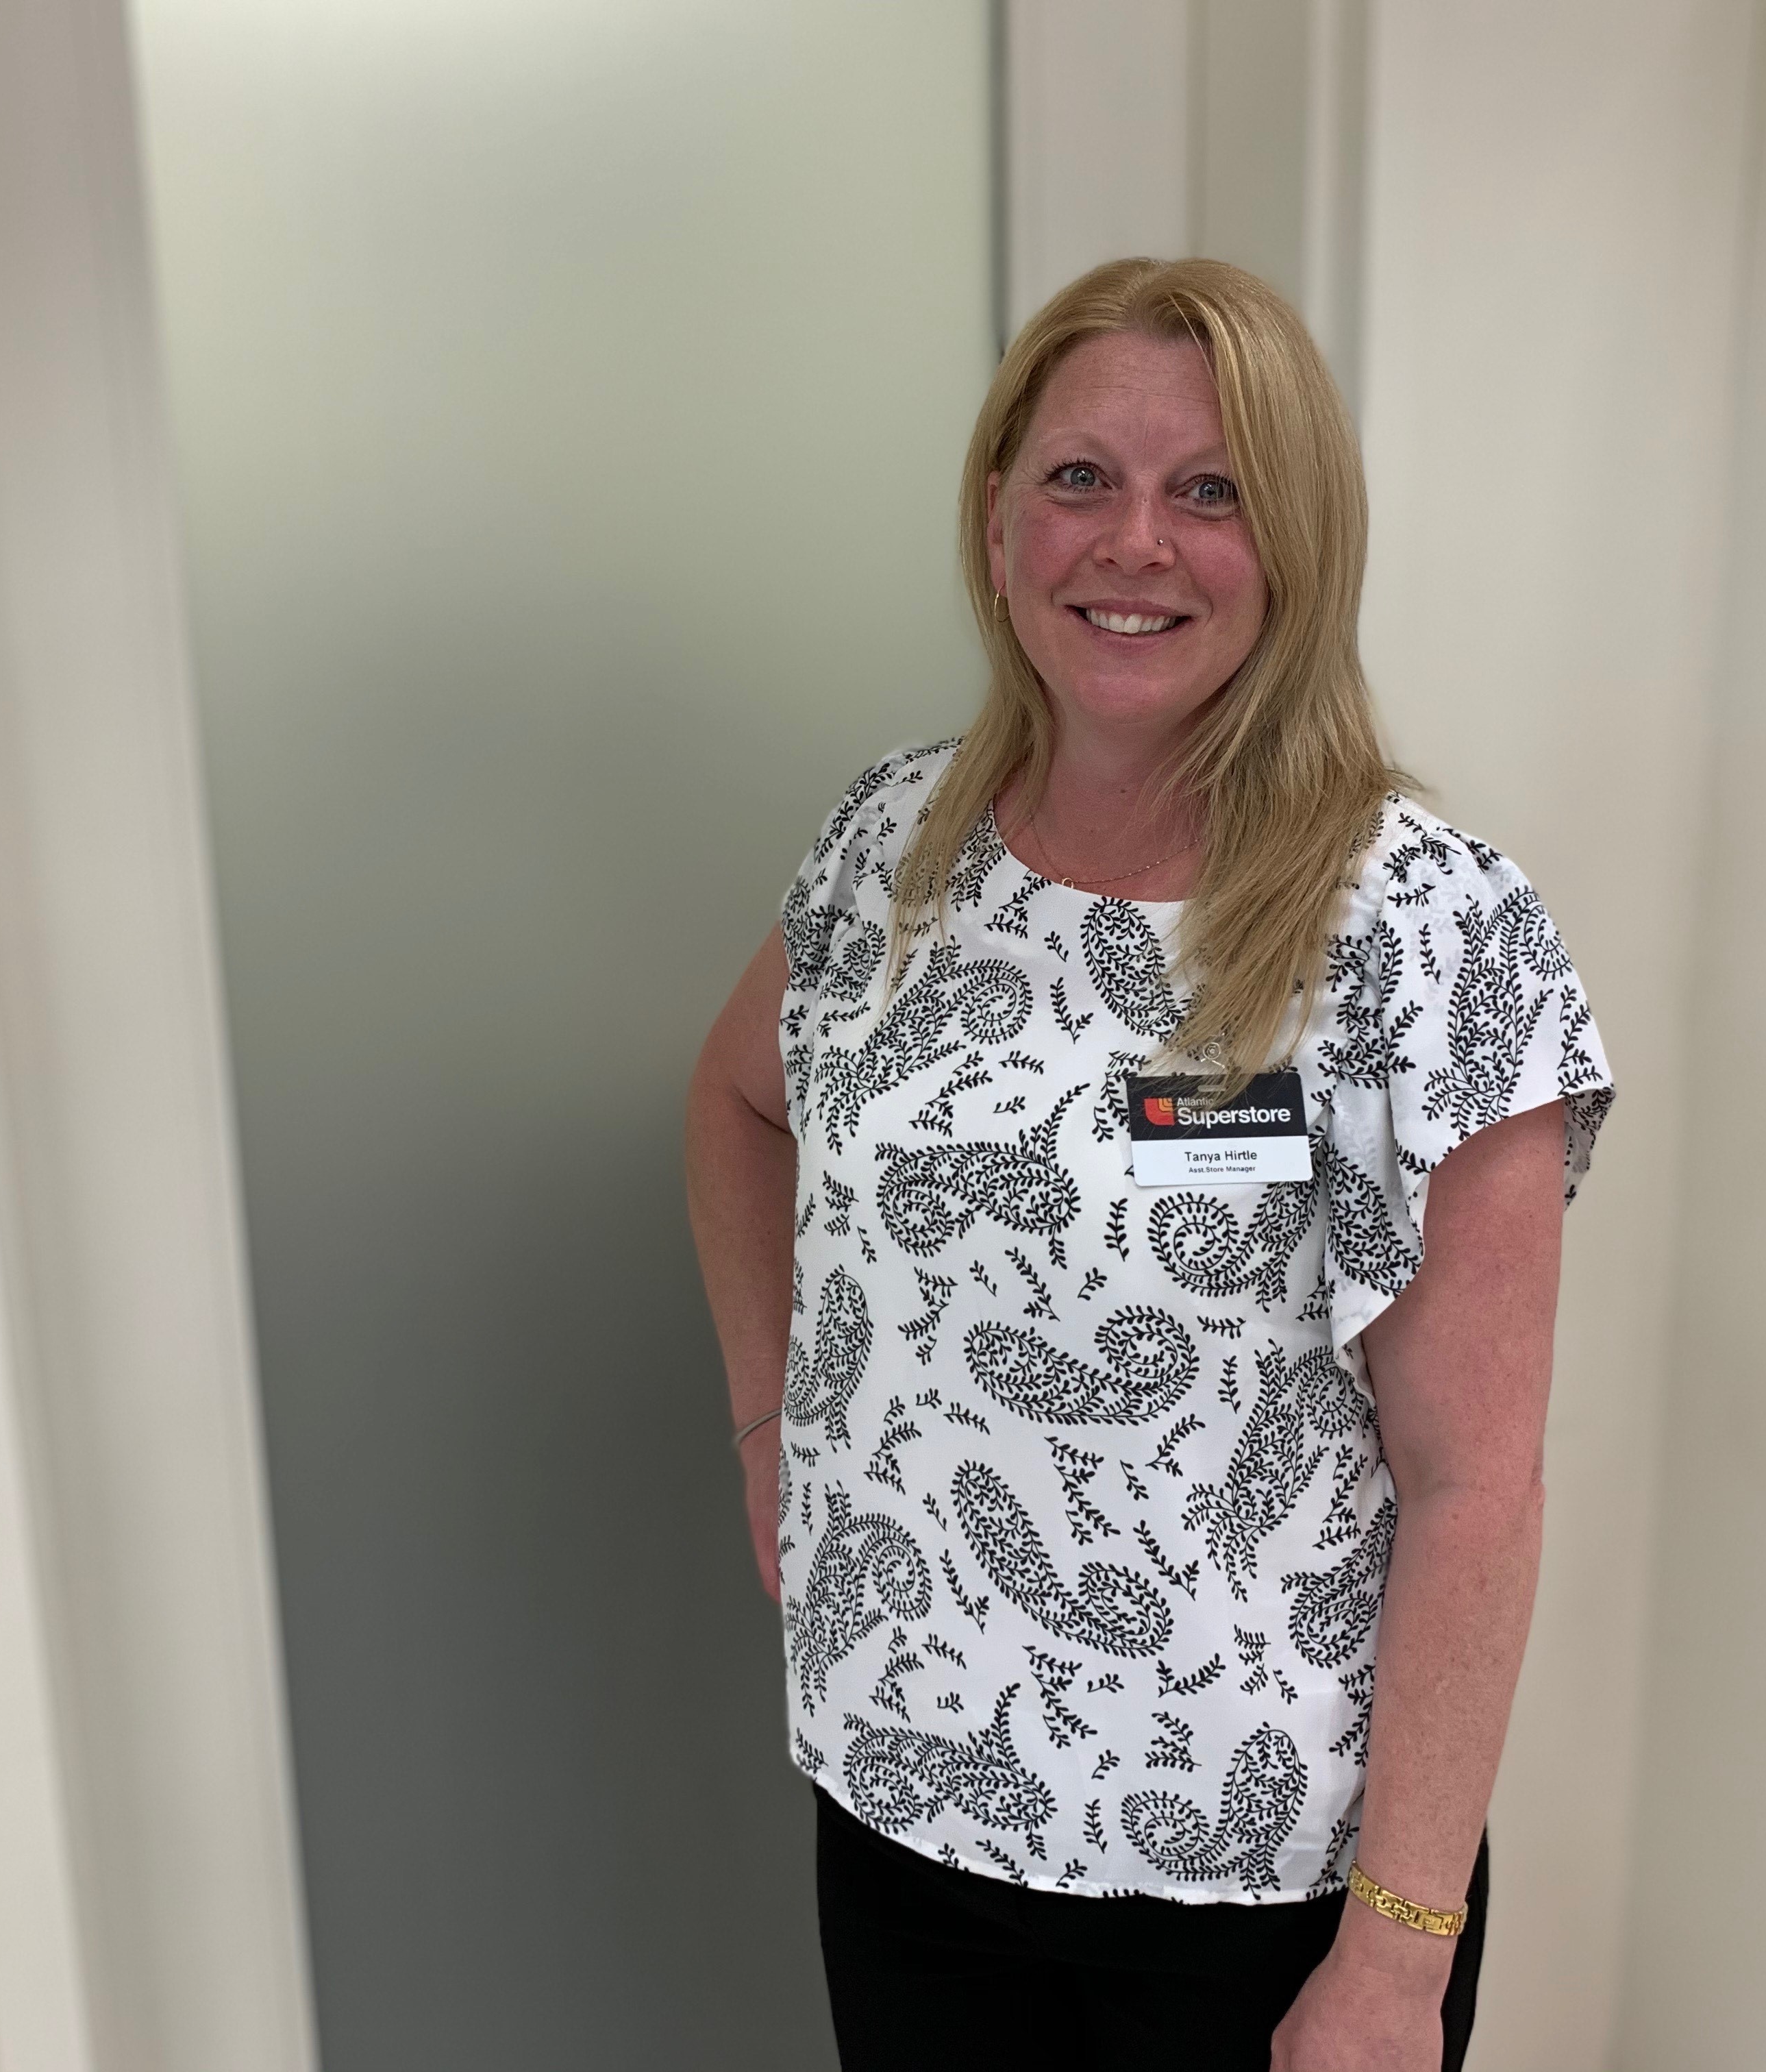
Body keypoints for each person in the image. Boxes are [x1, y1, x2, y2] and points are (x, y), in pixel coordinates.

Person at [684, 257, 1613, 2072]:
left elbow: (1475, 1489)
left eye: (1213, 492)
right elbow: (734, 1107)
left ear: (1300, 544)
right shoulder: (899, 840)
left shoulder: (1427, 934)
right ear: (999, 517)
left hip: (1252, 1894)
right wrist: (767, 1431)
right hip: (906, 1810)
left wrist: (1398, 1962)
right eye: (1081, 479)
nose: (1136, 544)